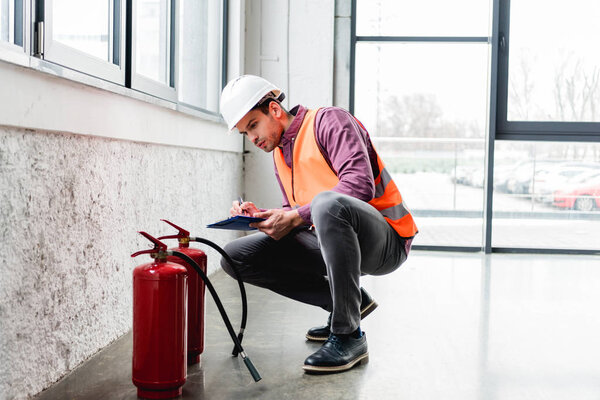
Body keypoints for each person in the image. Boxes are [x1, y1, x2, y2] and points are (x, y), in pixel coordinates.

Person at [218, 75, 418, 373]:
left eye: (253, 126)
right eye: (246, 134)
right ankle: (348, 303)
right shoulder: (281, 155)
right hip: (335, 239)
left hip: (386, 241)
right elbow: (297, 212)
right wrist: (262, 216)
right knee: (234, 257)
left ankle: (349, 334)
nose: (253, 138)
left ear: (274, 110)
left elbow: (358, 185)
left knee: (326, 203)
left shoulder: (329, 121)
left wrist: (296, 215)